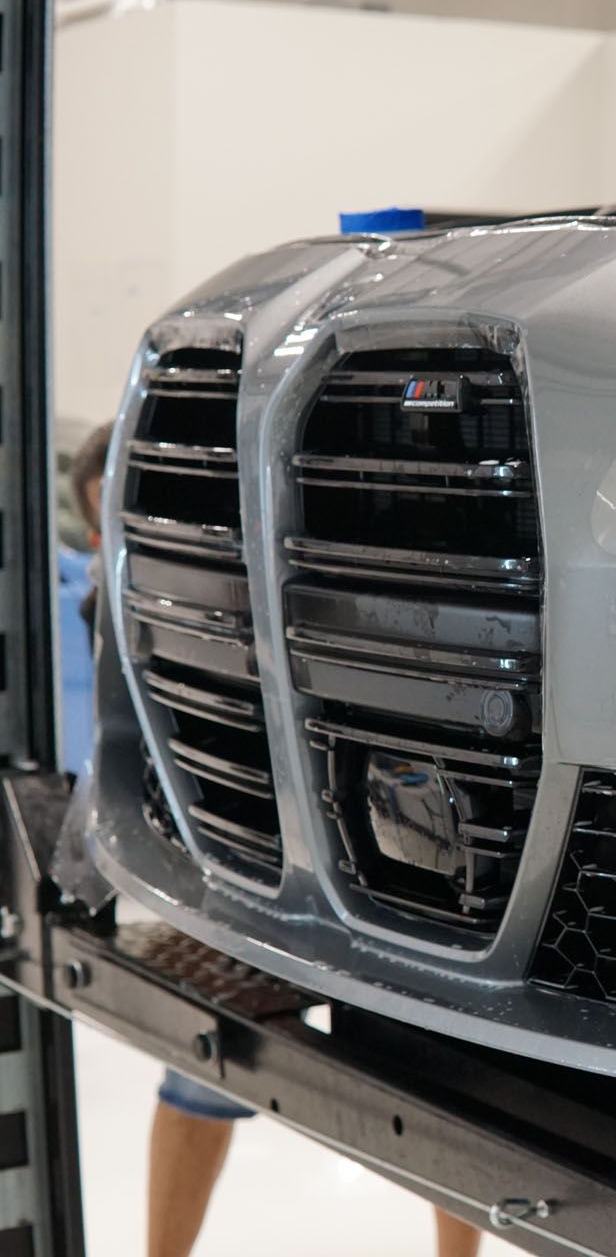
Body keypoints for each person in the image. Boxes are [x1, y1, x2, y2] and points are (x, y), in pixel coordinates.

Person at [66, 424, 484, 1257]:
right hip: (237, 855)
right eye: (109, 524)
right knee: (201, 1061)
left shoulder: (302, 557)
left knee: (439, 1084)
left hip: (377, 837)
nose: (128, 536)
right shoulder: (107, 609)